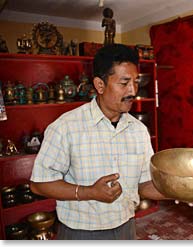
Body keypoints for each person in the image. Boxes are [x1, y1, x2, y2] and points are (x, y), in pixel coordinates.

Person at [30, 44, 168, 240]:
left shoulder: (138, 131)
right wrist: (89, 192)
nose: (133, 90)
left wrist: (182, 191)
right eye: (124, 82)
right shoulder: (66, 127)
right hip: (80, 233)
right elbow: (38, 184)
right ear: (100, 85)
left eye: (135, 82)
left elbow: (144, 184)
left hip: (126, 228)